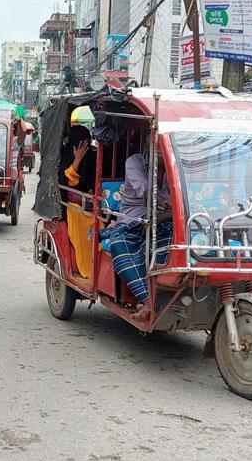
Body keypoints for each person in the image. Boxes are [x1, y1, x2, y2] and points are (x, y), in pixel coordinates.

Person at [100, 153, 173, 323]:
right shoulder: (135, 162)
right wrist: (168, 204)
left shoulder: (174, 164)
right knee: (118, 245)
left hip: (161, 221)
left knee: (171, 246)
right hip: (132, 220)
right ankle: (149, 301)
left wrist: (158, 218)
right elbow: (146, 191)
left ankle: (159, 298)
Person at [61, 125, 96, 278]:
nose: (84, 148)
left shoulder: (92, 157)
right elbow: (65, 181)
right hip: (71, 204)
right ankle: (86, 268)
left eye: (86, 144)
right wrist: (77, 159)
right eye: (81, 143)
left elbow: (93, 180)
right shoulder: (66, 156)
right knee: (78, 216)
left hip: (90, 204)